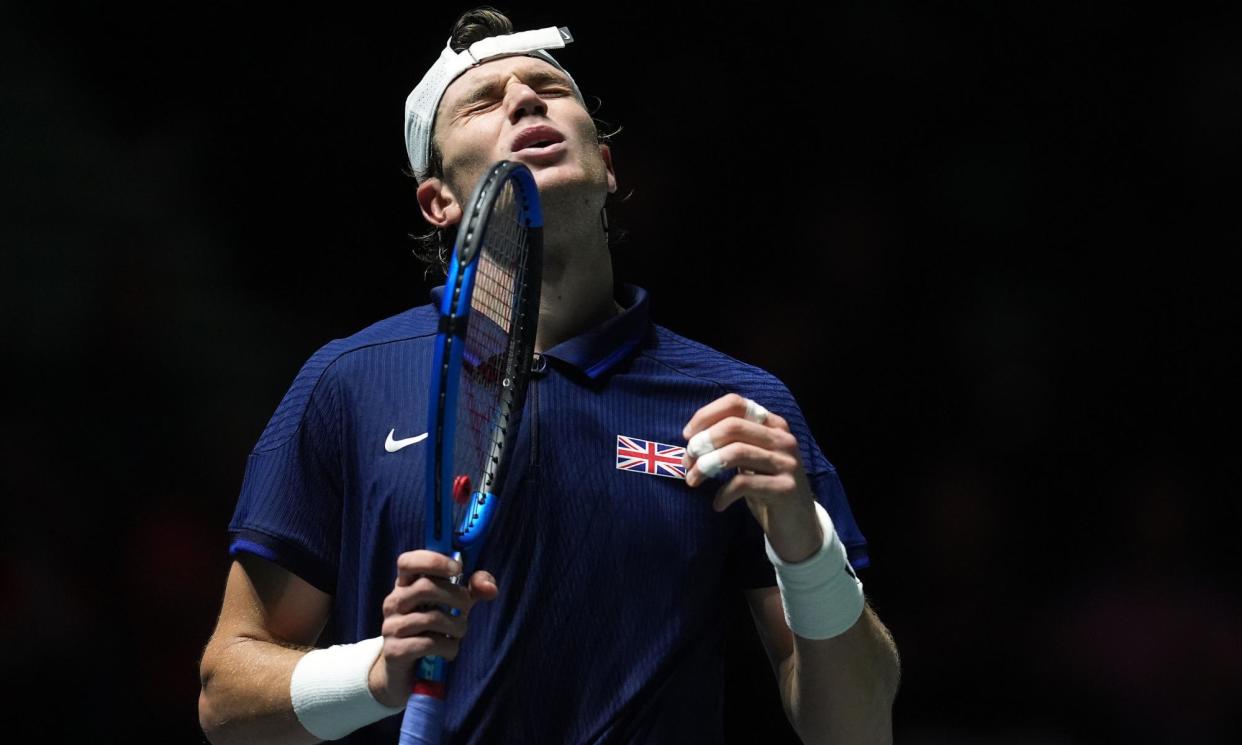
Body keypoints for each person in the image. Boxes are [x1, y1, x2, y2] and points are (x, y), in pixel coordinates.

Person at [198, 7, 900, 744]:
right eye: (482, 101)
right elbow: (225, 699)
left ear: (607, 163)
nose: (525, 101)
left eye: (547, 88)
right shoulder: (348, 384)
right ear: (438, 201)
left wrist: (805, 542)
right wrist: (376, 673)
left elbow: (855, 727)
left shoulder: (741, 409)